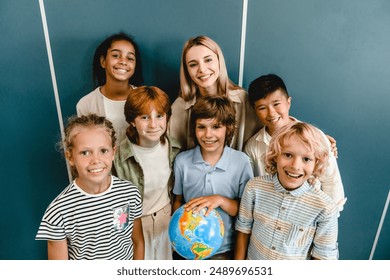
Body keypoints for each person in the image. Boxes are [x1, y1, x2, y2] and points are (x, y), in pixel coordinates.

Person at [36, 114, 144, 260]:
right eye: (85, 152)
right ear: (70, 157)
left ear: (113, 152)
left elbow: (137, 243)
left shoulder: (130, 194)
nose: (96, 160)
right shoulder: (58, 211)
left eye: (103, 151)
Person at [235, 121, 339, 260]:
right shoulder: (254, 188)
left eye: (306, 159)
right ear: (275, 155)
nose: (295, 166)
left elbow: (323, 256)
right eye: (288, 155)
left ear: (316, 164)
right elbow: (243, 230)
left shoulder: (325, 208)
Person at [244, 74, 346, 212]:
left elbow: (331, 181)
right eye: (262, 108)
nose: (271, 113)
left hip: (308, 216)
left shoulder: (316, 137)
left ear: (288, 102)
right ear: (255, 110)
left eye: (276, 104)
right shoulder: (253, 147)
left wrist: (327, 218)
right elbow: (253, 190)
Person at [172, 95, 254, 260]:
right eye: (201, 127)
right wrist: (180, 232)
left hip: (223, 252)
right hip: (187, 250)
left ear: (228, 128)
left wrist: (220, 200)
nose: (208, 134)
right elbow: (178, 200)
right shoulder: (182, 161)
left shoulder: (241, 162)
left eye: (216, 127)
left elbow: (246, 212)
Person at [112, 86, 181, 260]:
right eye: (144, 117)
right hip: (135, 225)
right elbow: (115, 204)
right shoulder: (118, 156)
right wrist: (120, 234)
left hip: (166, 218)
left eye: (159, 116)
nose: (153, 124)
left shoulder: (175, 148)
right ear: (132, 121)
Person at [169, 35, 262, 151]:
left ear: (219, 61)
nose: (202, 69)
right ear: (187, 71)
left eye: (208, 60)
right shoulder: (179, 107)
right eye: (193, 64)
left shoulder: (243, 100)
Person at [76, 32, 144, 145]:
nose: (123, 61)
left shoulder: (145, 99)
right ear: (103, 61)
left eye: (130, 58)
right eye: (116, 55)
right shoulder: (86, 105)